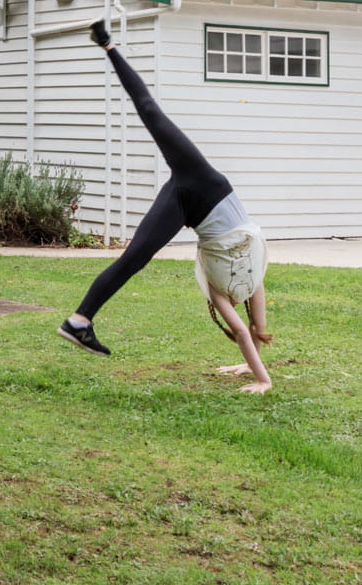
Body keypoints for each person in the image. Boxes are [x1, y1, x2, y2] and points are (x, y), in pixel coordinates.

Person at [55, 21, 276, 394]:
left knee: (134, 258)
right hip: (204, 182)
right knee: (150, 113)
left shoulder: (232, 281)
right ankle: (109, 46)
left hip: (191, 202)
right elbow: (252, 328)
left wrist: (252, 361)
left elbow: (254, 328)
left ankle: (79, 321)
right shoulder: (238, 278)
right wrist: (262, 378)